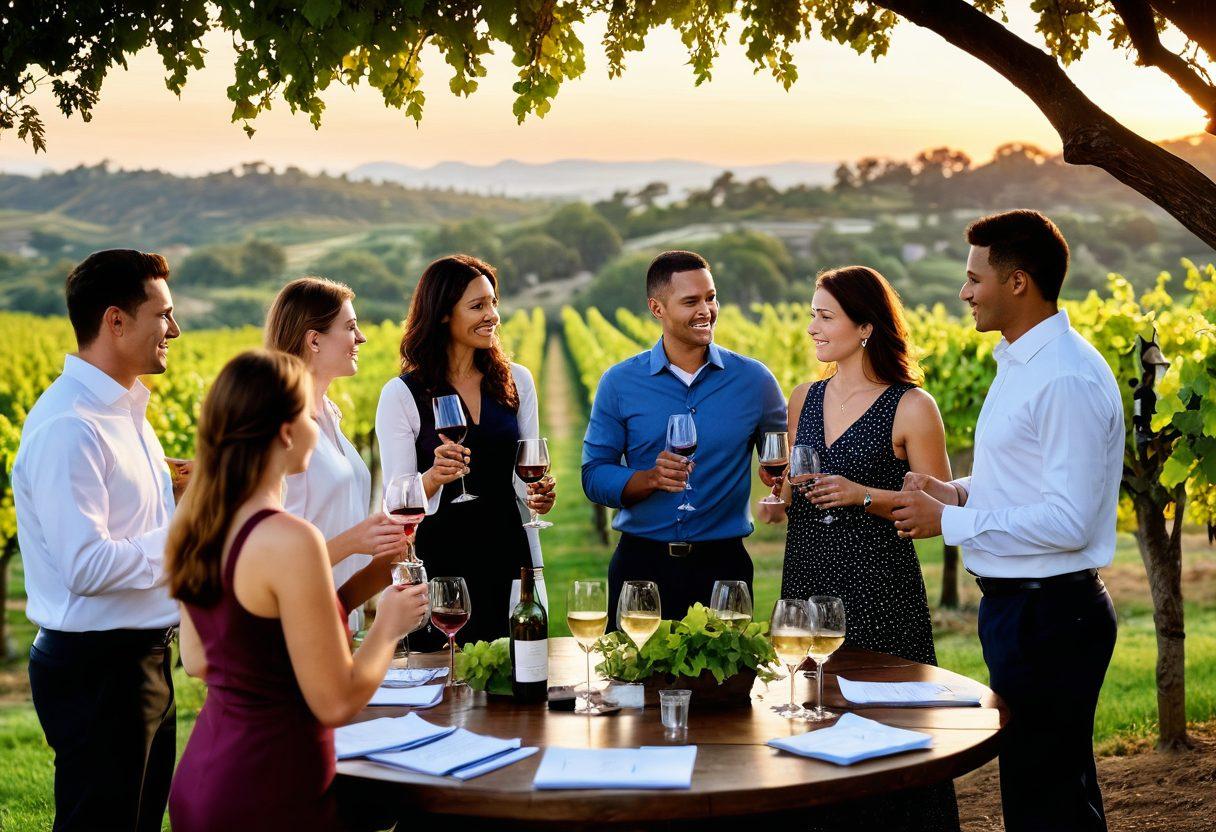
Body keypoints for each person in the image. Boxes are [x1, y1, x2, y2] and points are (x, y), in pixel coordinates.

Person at [892, 210, 1121, 832]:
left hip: (1051, 616)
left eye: (974, 278)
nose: (963, 291)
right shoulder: (1022, 363)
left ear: (1017, 282)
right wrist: (958, 493)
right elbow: (1026, 485)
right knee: (1047, 789)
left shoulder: (1064, 377)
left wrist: (950, 522)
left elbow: (1069, 520)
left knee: (1047, 800)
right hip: (1024, 611)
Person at [167, 350, 429, 832]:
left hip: (205, 778)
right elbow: (336, 701)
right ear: (287, 432)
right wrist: (388, 626)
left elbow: (206, 657)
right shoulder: (291, 538)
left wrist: (371, 576)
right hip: (270, 785)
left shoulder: (201, 524)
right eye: (307, 413)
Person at [756, 265, 960, 830]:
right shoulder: (805, 398)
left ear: (866, 325)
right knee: (808, 719)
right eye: (811, 315)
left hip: (879, 591)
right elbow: (799, 488)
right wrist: (779, 499)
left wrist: (862, 495)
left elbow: (938, 514)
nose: (812, 328)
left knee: (887, 726)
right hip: (807, 579)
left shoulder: (911, 407)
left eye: (825, 316)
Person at [14, 250, 183, 832]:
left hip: (142, 657)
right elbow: (86, 566)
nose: (174, 329)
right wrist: (195, 528)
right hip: (101, 669)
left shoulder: (126, 410)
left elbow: (130, 528)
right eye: (163, 314)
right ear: (116, 320)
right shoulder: (72, 426)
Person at [581, 250, 786, 627]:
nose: (706, 309)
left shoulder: (755, 382)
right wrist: (648, 480)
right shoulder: (620, 382)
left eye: (710, 297)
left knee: (724, 685)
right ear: (657, 308)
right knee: (632, 685)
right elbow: (593, 475)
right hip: (640, 567)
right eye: (690, 301)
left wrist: (780, 483)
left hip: (723, 570)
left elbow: (784, 458)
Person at [376, 254, 555, 646]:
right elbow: (395, 500)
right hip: (443, 559)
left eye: (494, 303)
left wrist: (540, 494)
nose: (492, 315)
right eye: (477, 306)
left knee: (516, 672)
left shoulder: (517, 382)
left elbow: (526, 476)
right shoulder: (402, 395)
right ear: (443, 315)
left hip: (508, 549)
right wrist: (433, 477)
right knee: (445, 684)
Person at [265, 277, 409, 624]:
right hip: (292, 625)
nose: (361, 338)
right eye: (350, 327)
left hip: (336, 617)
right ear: (314, 340)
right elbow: (269, 560)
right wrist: (354, 540)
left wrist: (388, 549)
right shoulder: (279, 426)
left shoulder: (329, 415)